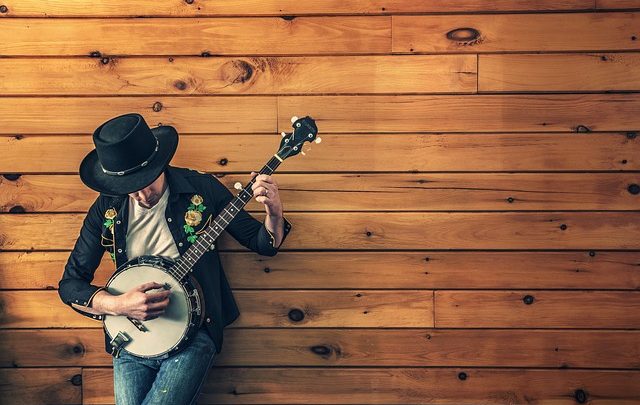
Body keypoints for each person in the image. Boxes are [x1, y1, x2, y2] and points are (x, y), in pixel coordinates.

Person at [57, 112, 292, 404]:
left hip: (194, 331)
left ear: (160, 164)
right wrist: (117, 304)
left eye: (148, 182)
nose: (142, 195)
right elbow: (70, 284)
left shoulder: (202, 189)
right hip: (130, 339)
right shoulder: (107, 208)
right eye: (131, 189)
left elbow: (263, 243)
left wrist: (274, 211)